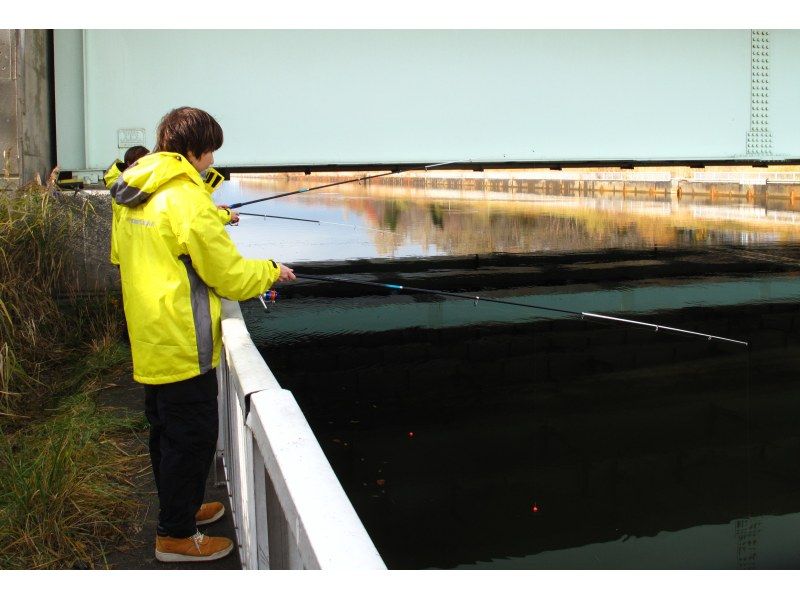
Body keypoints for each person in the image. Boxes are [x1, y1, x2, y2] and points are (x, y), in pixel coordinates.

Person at [110, 106, 295, 563]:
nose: (211, 161)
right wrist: (271, 272)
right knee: (191, 439)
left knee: (165, 434)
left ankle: (184, 508)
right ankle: (174, 536)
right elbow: (229, 276)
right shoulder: (185, 200)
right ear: (195, 150)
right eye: (210, 152)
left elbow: (122, 255)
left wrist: (208, 217)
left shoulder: (134, 192)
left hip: (151, 335)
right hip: (184, 340)